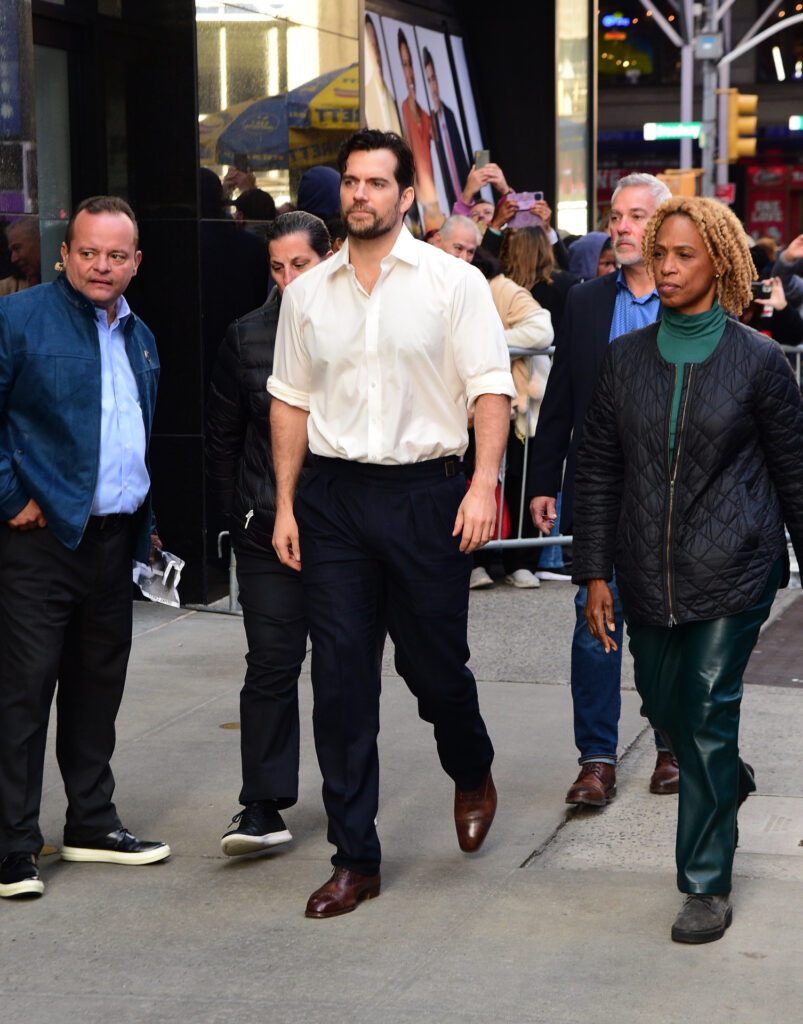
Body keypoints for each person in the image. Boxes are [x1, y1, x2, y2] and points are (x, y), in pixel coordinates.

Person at [268, 128, 515, 918]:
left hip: (426, 497)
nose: (360, 194)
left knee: (433, 669)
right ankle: (355, 860)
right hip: (334, 500)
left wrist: (483, 486)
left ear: (406, 196)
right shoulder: (307, 293)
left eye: (376, 182)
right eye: (351, 181)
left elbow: (490, 389)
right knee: (340, 681)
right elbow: (289, 402)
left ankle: (470, 766)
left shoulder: (453, 283)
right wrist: (285, 503)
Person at [573, 196, 803, 944]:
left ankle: (704, 884)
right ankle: (725, 778)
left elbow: (794, 474)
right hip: (645, 571)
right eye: (659, 254)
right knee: (664, 704)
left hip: (736, 566)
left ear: (720, 263)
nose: (665, 267)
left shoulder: (758, 360)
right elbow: (598, 470)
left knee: (704, 710)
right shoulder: (624, 360)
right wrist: (594, 572)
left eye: (683, 256)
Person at [0, 196, 169, 901]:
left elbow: (134, 437)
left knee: (97, 691)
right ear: (65, 253)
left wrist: (145, 524)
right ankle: (11, 847)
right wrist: (10, 496)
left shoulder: (141, 335)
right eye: (90, 252)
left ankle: (92, 824)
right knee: (23, 694)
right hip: (38, 542)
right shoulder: (18, 319)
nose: (102, 265)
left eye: (117, 255)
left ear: (136, 262)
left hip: (110, 541)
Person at [527, 172, 679, 807]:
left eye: (636, 216)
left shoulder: (690, 296)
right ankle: (596, 762)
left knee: (666, 626)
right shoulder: (586, 301)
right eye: (615, 216)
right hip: (597, 490)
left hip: (672, 495)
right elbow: (560, 395)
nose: (621, 227)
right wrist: (542, 480)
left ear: (664, 225)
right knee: (594, 626)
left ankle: (671, 745)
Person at [206, 212, 332, 858]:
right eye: (277, 268)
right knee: (271, 665)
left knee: (342, 670)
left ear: (327, 259)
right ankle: (261, 804)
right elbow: (222, 440)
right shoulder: (247, 335)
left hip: (343, 531)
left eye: (299, 265)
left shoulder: (360, 328)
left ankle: (349, 798)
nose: (288, 280)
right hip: (266, 529)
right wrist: (242, 519)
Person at [397, 28, 439, 226]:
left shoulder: (426, 115)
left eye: (410, 64)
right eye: (404, 65)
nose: (410, 73)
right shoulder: (403, 109)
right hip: (417, 202)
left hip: (433, 199)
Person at [422, 47, 471, 211]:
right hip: (448, 204)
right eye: (428, 80)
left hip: (465, 199)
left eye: (433, 78)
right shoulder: (430, 122)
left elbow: (461, 158)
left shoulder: (449, 115)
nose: (433, 86)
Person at [0, 216, 41, 296]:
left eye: (17, 248)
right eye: (11, 252)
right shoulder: (5, 289)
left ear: (40, 241)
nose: (13, 259)